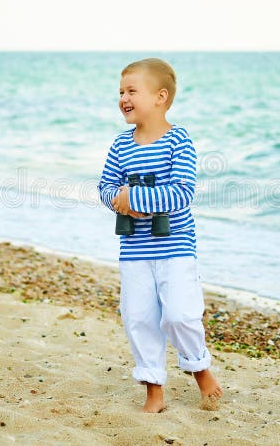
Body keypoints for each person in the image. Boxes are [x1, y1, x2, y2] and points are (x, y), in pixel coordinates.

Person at [97, 57, 222, 413]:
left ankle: (200, 369)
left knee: (180, 315)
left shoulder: (178, 140)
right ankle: (153, 389)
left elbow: (183, 192)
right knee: (138, 317)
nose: (123, 98)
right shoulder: (121, 145)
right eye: (120, 92)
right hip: (134, 248)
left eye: (131, 91)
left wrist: (134, 197)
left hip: (175, 246)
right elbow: (105, 186)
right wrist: (117, 200)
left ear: (160, 97)